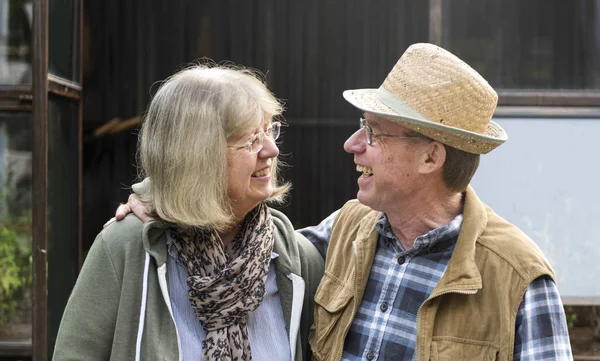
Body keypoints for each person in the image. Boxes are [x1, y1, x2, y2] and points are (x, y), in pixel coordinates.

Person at [113, 44, 573, 361]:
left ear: (432, 156)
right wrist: (161, 194)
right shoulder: (347, 230)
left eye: (374, 132)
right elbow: (243, 239)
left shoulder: (519, 279)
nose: (353, 144)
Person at [53, 65, 324, 361]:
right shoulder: (127, 249)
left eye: (270, 131)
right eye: (251, 139)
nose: (271, 150)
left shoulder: (298, 261)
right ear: (198, 156)